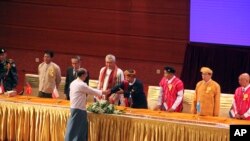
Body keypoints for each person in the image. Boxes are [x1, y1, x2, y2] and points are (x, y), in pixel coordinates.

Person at [65, 68, 110, 141]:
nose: (87, 75)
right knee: (77, 127)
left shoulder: (74, 82)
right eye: (86, 74)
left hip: (75, 107)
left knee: (76, 126)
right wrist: (104, 92)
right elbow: (91, 91)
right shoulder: (81, 84)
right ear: (83, 75)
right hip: (79, 109)